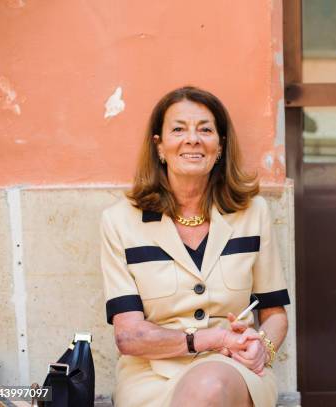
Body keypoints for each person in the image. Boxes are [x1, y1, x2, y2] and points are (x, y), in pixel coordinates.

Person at [100, 86, 290, 407]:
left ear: (220, 146)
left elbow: (274, 314)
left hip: (231, 368)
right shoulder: (119, 221)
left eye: (205, 129)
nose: (193, 139)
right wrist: (211, 338)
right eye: (178, 129)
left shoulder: (252, 213)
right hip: (151, 376)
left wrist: (263, 347)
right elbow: (129, 336)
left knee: (209, 386)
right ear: (159, 146)